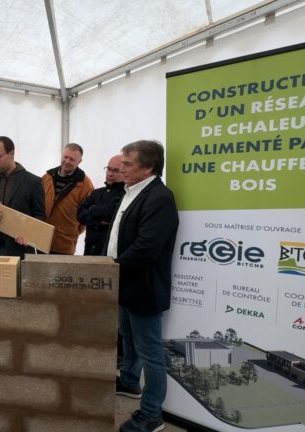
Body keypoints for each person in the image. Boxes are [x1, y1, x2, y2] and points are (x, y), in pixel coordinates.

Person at [103, 140, 179, 432]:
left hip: (144, 288)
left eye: (127, 163)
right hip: (124, 282)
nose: (121, 168)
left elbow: (147, 247)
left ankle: (151, 414)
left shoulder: (160, 197)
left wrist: (113, 267)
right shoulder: (131, 192)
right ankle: (130, 382)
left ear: (148, 167)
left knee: (150, 352)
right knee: (127, 337)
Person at [0, 136, 44, 257]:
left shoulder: (33, 182)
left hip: (20, 250)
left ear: (12, 153)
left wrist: (28, 235)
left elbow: (40, 216)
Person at [41, 143, 94, 254]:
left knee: (61, 271)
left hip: (64, 244)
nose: (67, 161)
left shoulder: (85, 185)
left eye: (72, 159)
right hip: (41, 239)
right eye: (65, 157)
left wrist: (73, 232)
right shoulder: (47, 177)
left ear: (79, 162)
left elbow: (86, 216)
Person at [77, 154, 126, 256]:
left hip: (110, 252)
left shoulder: (126, 194)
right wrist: (99, 221)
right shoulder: (97, 193)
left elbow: (111, 213)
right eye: (108, 169)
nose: (110, 173)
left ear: (124, 171)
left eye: (115, 171)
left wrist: (92, 209)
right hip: (90, 250)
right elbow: (80, 213)